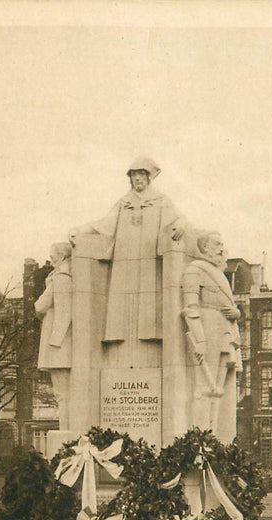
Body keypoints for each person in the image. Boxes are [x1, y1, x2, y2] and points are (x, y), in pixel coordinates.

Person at [68, 157, 190, 347]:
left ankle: (150, 333)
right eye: (134, 175)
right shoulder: (123, 203)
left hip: (150, 260)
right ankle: (117, 334)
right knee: (120, 302)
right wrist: (79, 230)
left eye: (141, 174)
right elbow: (103, 224)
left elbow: (178, 219)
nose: (138, 178)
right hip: (123, 262)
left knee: (149, 301)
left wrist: (181, 224)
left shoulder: (161, 201)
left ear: (149, 177)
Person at [182, 230, 242, 443]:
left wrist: (237, 313)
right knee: (204, 388)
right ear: (204, 247)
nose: (221, 248)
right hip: (207, 329)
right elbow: (190, 307)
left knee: (219, 390)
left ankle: (215, 440)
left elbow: (231, 307)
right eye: (217, 243)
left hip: (224, 332)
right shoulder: (194, 269)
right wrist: (199, 339)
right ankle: (200, 439)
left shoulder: (219, 273)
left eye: (222, 243)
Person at [34, 242, 72, 430]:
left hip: (59, 346)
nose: (51, 259)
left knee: (62, 393)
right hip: (61, 344)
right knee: (63, 393)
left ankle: (66, 431)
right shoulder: (61, 276)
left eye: (53, 256)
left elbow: (41, 306)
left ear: (63, 257)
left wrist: (55, 342)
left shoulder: (61, 277)